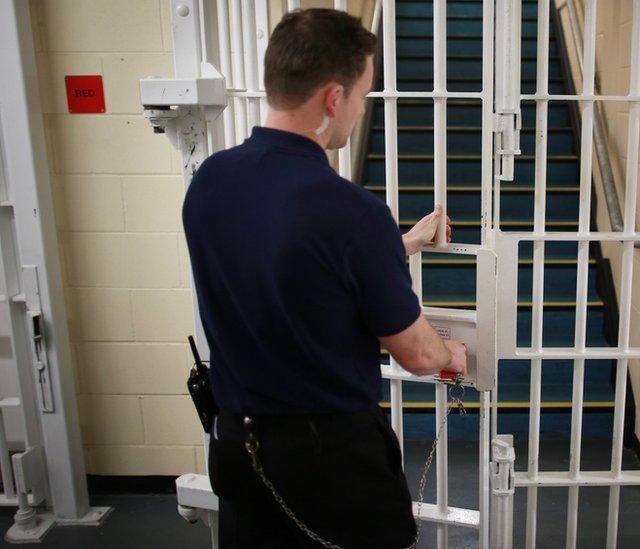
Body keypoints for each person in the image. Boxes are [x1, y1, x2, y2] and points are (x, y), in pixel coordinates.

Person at [182, 8, 466, 548]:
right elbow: (418, 354)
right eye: (363, 94)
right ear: (334, 98)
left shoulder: (210, 183)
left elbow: (285, 261)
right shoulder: (350, 211)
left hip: (237, 448)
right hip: (327, 464)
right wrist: (453, 354)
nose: (360, 110)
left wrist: (400, 244)